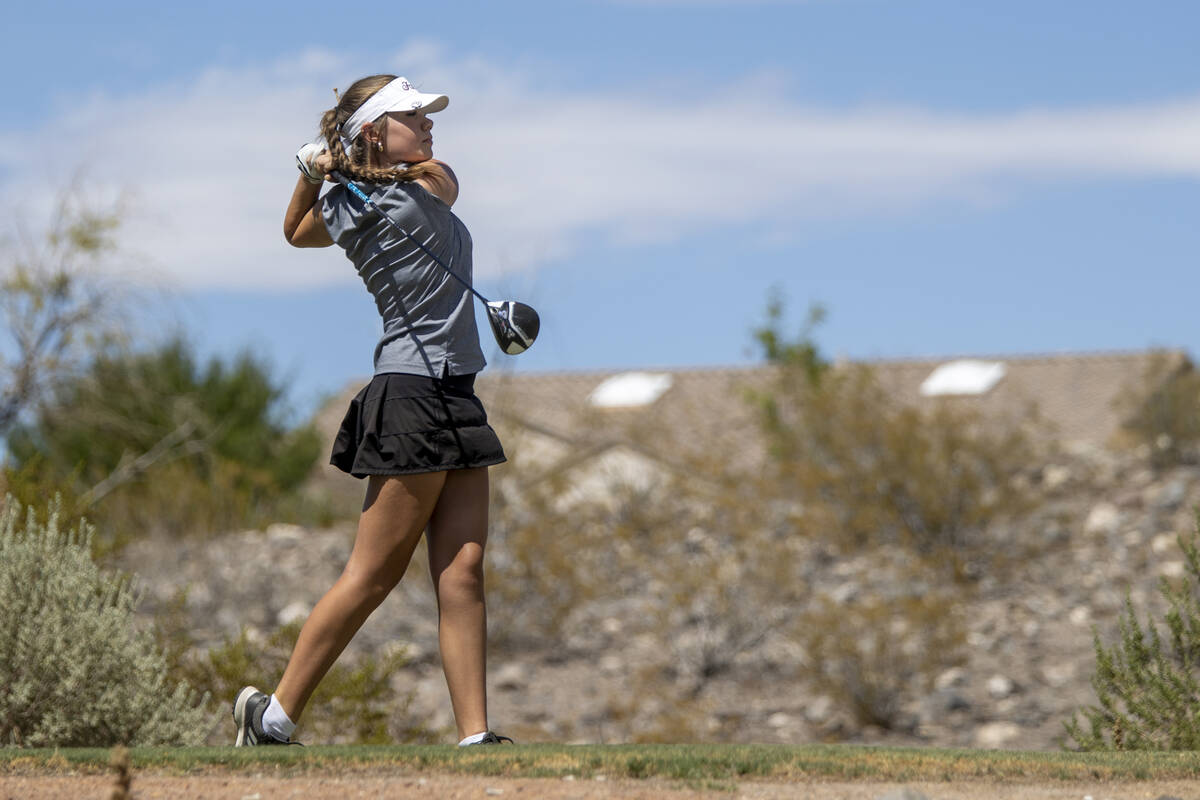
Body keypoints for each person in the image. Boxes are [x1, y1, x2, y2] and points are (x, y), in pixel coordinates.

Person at [232, 74, 512, 747]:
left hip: (457, 393)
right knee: (374, 573)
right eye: (415, 116)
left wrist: (323, 170)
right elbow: (297, 231)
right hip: (410, 394)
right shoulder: (359, 203)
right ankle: (272, 717)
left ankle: (476, 738)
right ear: (375, 131)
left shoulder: (421, 181)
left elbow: (438, 177)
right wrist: (313, 174)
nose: (430, 126)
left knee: (464, 570)